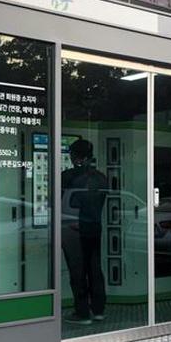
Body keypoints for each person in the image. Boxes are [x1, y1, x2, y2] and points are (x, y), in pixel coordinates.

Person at [62, 139, 108, 325]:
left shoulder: (67, 177)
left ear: (74, 156)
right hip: (94, 227)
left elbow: (58, 201)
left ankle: (82, 313)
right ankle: (98, 310)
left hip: (73, 228)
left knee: (77, 270)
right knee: (95, 268)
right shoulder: (101, 177)